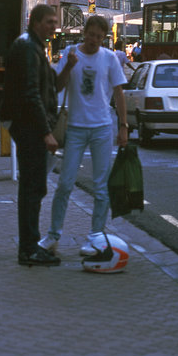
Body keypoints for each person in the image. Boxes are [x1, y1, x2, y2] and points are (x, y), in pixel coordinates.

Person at [39, 15, 129, 260]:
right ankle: (53, 235)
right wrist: (68, 65)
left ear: (104, 38)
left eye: (100, 37)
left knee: (101, 187)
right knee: (65, 184)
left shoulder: (109, 58)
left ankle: (95, 236)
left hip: (102, 128)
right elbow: (56, 87)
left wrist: (123, 126)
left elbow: (119, 93)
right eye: (91, 35)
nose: (94, 41)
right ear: (84, 33)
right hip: (76, 127)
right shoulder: (70, 53)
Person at [0, 3, 61, 267]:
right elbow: (31, 93)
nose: (54, 26)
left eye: (55, 22)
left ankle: (30, 245)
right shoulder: (28, 48)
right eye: (49, 21)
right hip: (29, 126)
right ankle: (28, 248)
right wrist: (46, 131)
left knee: (34, 186)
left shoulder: (33, 45)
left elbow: (46, 87)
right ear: (35, 21)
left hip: (28, 124)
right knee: (32, 187)